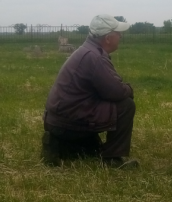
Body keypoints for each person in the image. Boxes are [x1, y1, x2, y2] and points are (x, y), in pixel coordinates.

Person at [42, 14, 138, 168]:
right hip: (68, 122)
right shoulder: (95, 57)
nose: (120, 36)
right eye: (118, 33)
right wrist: (129, 88)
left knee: (91, 148)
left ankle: (59, 145)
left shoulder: (87, 50)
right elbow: (116, 92)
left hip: (57, 120)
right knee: (126, 105)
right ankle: (112, 159)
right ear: (107, 38)